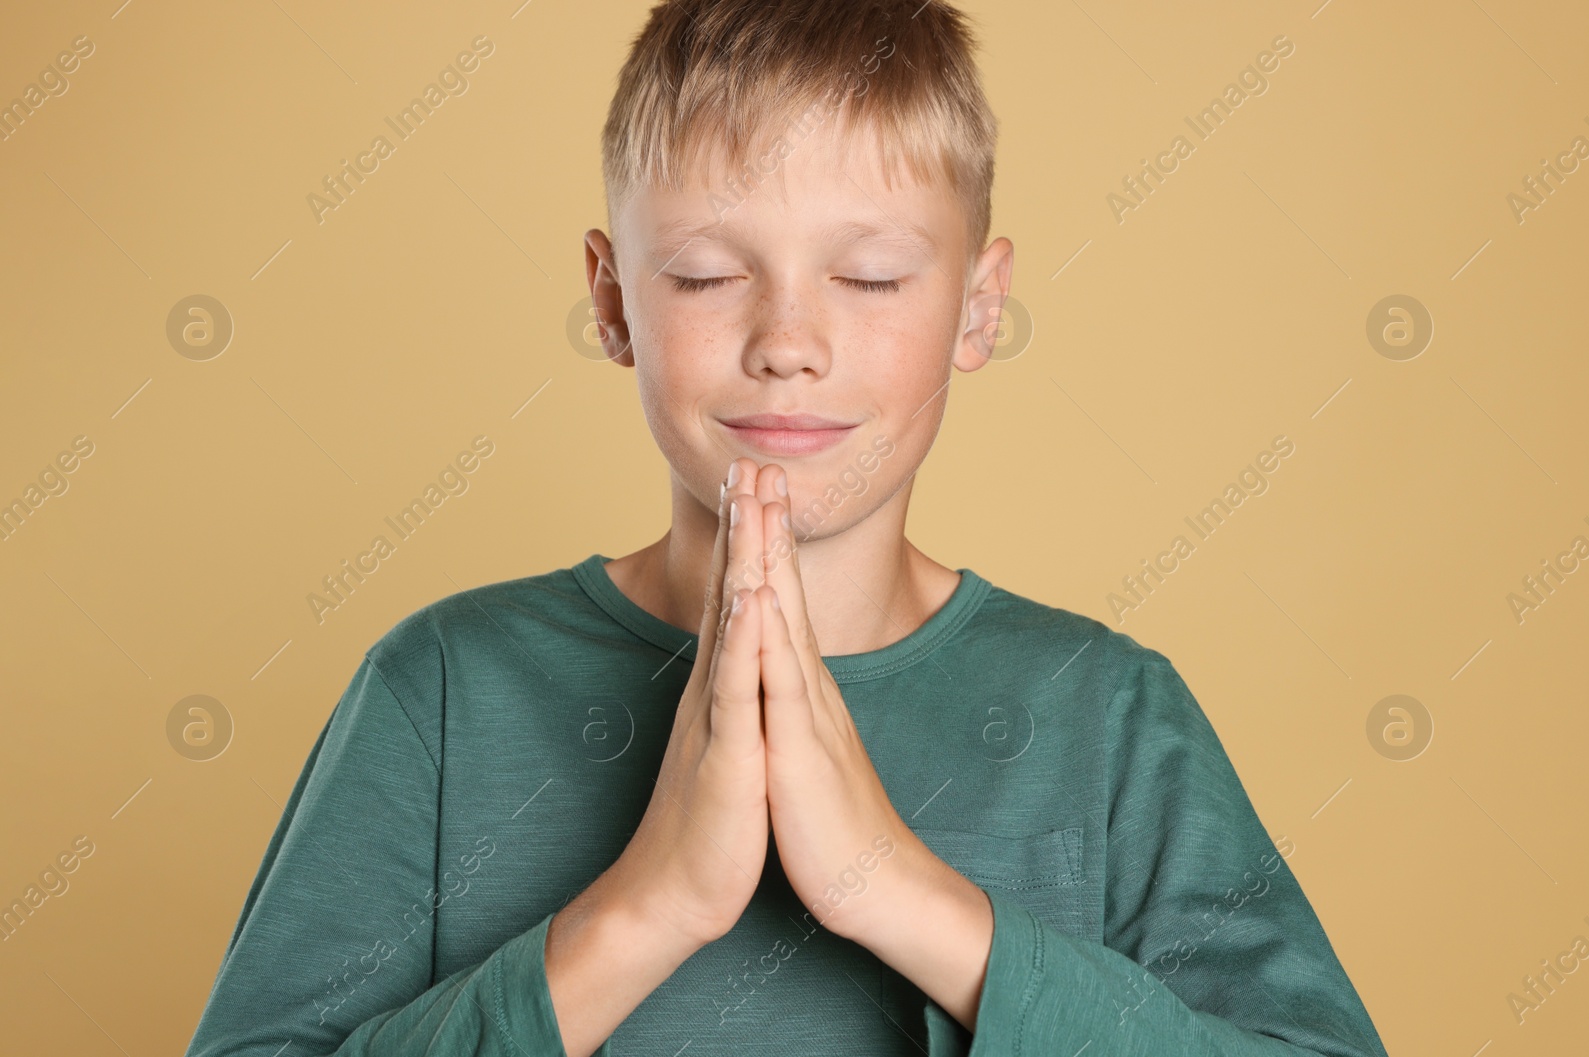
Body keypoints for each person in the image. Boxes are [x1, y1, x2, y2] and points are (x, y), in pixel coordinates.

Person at [184, 1, 1390, 1054]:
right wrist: (646, 906)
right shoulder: (441, 690)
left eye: (867, 277)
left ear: (980, 308)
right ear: (612, 303)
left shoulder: (1112, 716)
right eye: (709, 275)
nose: (788, 341)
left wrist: (900, 892)